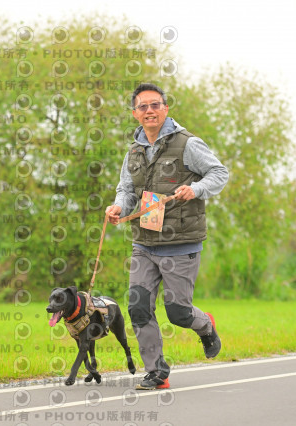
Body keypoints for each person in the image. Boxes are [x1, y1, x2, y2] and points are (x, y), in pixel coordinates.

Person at [105, 83, 229, 390]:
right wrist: (119, 206)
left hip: (180, 244)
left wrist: (195, 189)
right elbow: (127, 189)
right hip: (144, 243)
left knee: (178, 313)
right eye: (143, 106)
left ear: (165, 109)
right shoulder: (134, 151)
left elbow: (219, 173)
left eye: (155, 105)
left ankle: (205, 324)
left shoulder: (188, 144)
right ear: (135, 113)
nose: (149, 111)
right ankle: (156, 372)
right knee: (137, 307)